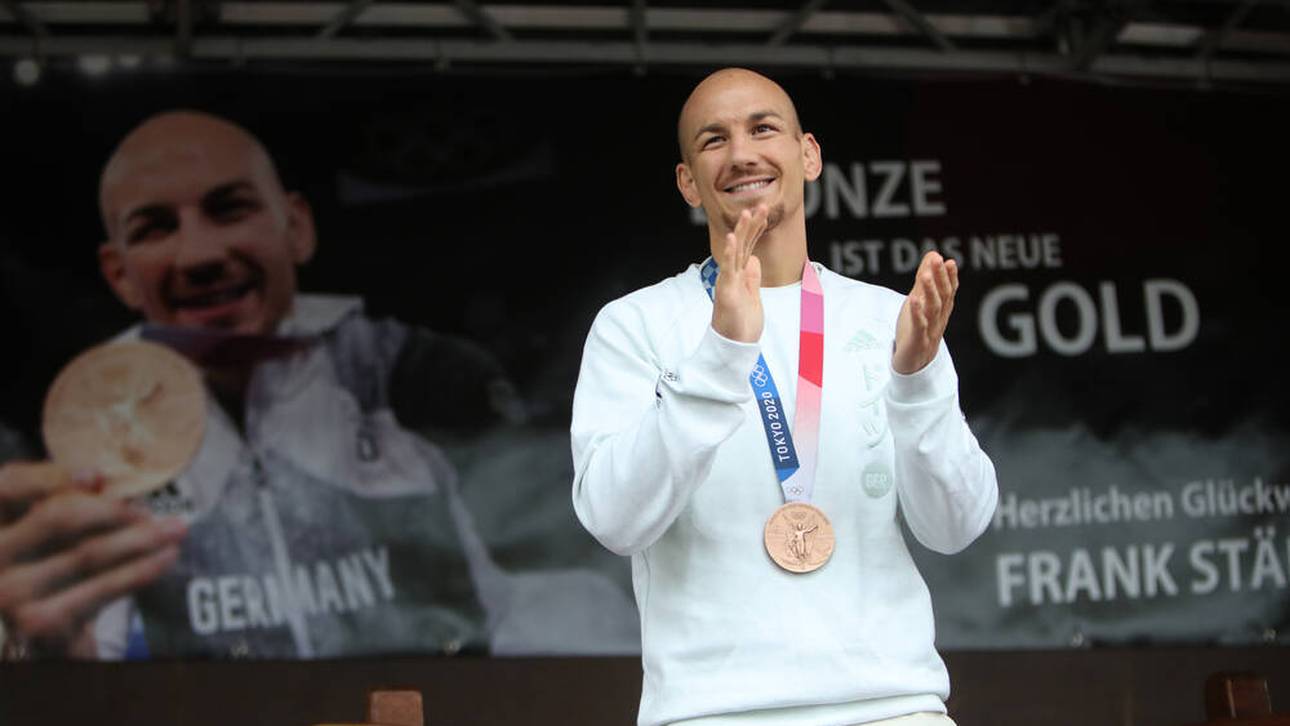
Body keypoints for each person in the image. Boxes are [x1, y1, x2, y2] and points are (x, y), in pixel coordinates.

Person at [0, 110, 635, 660]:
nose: (197, 254)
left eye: (230, 209)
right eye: (155, 228)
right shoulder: (82, 439)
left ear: (295, 226)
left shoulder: (418, 376)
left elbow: (555, 591)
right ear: (119, 273)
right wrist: (52, 655)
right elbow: (87, 648)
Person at [571, 68, 998, 725]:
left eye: (763, 128)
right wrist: (719, 360)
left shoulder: (888, 318)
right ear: (687, 180)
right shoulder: (637, 324)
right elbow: (613, 519)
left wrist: (916, 383)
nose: (742, 153)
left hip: (894, 707)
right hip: (712, 712)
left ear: (809, 154)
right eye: (713, 140)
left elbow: (956, 527)